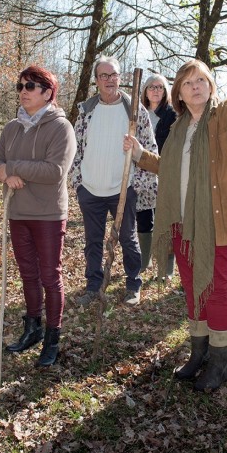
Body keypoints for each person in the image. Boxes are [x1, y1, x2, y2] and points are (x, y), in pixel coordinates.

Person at [123, 59, 227, 391]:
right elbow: (167, 167)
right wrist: (140, 153)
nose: (195, 86)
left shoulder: (223, 115)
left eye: (201, 80)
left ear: (210, 86)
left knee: (215, 288)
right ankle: (198, 353)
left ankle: (219, 362)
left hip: (218, 221)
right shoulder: (178, 128)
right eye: (187, 83)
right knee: (193, 287)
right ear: (179, 94)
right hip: (183, 221)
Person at [0, 65, 76, 366]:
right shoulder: (12, 127)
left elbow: (54, 172)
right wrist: (3, 174)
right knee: (28, 274)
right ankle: (33, 328)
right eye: (21, 86)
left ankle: (52, 337)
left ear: (47, 93)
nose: (23, 91)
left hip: (48, 214)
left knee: (50, 277)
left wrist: (12, 168)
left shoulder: (61, 127)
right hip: (17, 211)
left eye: (30, 86)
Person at [69, 56, 157, 307]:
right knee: (93, 242)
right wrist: (78, 183)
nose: (109, 80)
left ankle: (133, 284)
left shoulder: (134, 110)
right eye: (104, 76)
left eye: (114, 75)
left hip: (123, 189)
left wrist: (135, 184)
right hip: (91, 189)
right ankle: (93, 286)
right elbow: (76, 148)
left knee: (128, 239)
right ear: (96, 80)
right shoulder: (87, 110)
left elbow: (149, 148)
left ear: (121, 78)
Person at [138, 73, 176, 277]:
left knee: (166, 221)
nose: (155, 90)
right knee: (143, 218)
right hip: (141, 175)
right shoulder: (138, 113)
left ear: (165, 91)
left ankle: (166, 268)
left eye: (160, 87)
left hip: (164, 173)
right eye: (151, 86)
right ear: (145, 90)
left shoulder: (172, 115)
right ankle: (145, 263)